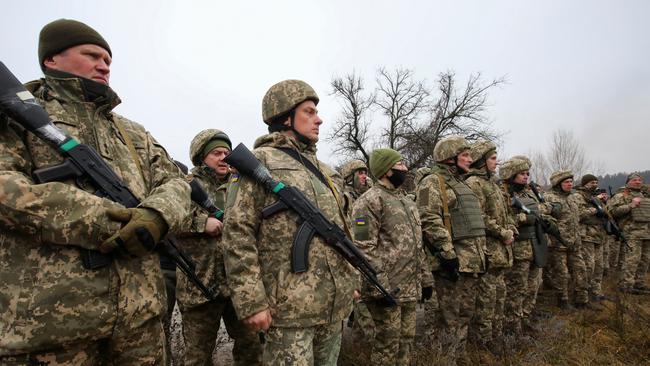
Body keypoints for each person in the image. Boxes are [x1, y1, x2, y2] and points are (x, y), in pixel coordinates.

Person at [0, 19, 190, 365]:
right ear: (51, 60)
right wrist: (108, 221)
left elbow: (176, 183)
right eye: (91, 55)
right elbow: (6, 189)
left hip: (140, 320)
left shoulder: (132, 133)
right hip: (52, 328)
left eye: (108, 60)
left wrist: (157, 216)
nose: (104, 65)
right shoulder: (14, 118)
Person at [222, 80, 358, 365]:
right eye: (309, 111)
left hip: (333, 306)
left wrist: (352, 279)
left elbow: (343, 229)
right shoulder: (259, 162)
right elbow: (237, 234)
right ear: (284, 117)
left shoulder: (327, 172)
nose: (318, 119)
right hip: (288, 312)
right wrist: (251, 302)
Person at [176, 129, 262, 365]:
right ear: (201, 157)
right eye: (216, 153)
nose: (224, 157)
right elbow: (168, 217)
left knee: (252, 349)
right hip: (200, 285)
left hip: (238, 286)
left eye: (227, 152)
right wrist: (201, 223)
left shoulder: (242, 185)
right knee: (198, 355)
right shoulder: (183, 185)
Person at [351, 148, 433, 366]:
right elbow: (362, 247)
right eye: (400, 165)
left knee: (406, 341)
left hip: (409, 288)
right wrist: (381, 286)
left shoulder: (407, 201)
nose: (405, 169)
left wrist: (425, 279)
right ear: (387, 171)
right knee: (387, 345)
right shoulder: (366, 202)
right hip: (387, 290)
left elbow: (417, 244)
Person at [415, 136, 487, 362]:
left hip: (471, 262)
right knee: (448, 318)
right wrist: (447, 253)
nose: (469, 159)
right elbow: (428, 219)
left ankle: (459, 356)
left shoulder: (462, 183)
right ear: (449, 158)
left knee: (464, 315)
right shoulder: (433, 182)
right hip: (451, 263)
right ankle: (443, 359)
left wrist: (483, 254)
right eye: (464, 155)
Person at [465, 140, 515, 354]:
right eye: (493, 158)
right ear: (481, 161)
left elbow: (504, 213)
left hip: (502, 251)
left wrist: (510, 226)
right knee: (486, 300)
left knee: (499, 296)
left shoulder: (493, 184)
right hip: (488, 250)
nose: (497, 162)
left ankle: (496, 335)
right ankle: (482, 343)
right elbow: (479, 216)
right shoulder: (474, 183)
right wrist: (502, 232)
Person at [499, 156, 550, 337]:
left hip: (535, 245)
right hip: (518, 249)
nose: (525, 177)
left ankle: (525, 319)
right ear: (511, 175)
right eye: (521, 173)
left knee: (533, 287)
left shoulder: (529, 193)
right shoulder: (503, 193)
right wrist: (523, 218)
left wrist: (545, 220)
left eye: (527, 173)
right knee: (516, 290)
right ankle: (512, 328)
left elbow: (540, 210)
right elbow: (502, 219)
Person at [544, 171, 589, 308]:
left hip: (575, 242)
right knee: (561, 274)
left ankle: (582, 300)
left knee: (581, 270)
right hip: (558, 243)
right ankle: (562, 301)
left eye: (571, 181)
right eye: (566, 182)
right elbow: (544, 218)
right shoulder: (549, 197)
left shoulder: (572, 198)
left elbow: (578, 217)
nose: (570, 184)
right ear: (558, 184)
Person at [607, 173, 650, 294]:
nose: (638, 182)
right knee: (631, 260)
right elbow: (612, 212)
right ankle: (626, 285)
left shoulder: (645, 196)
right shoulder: (621, 195)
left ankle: (639, 284)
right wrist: (630, 205)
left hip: (647, 232)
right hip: (631, 233)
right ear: (628, 182)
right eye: (635, 180)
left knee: (645, 260)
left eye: (640, 180)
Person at [574, 174, 607, 301]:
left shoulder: (595, 196)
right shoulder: (578, 196)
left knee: (599, 266)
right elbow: (580, 214)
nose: (595, 184)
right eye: (592, 182)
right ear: (585, 183)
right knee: (588, 266)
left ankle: (596, 292)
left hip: (599, 235)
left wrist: (603, 203)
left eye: (596, 182)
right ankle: (583, 294)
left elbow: (605, 213)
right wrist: (596, 206)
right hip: (586, 235)